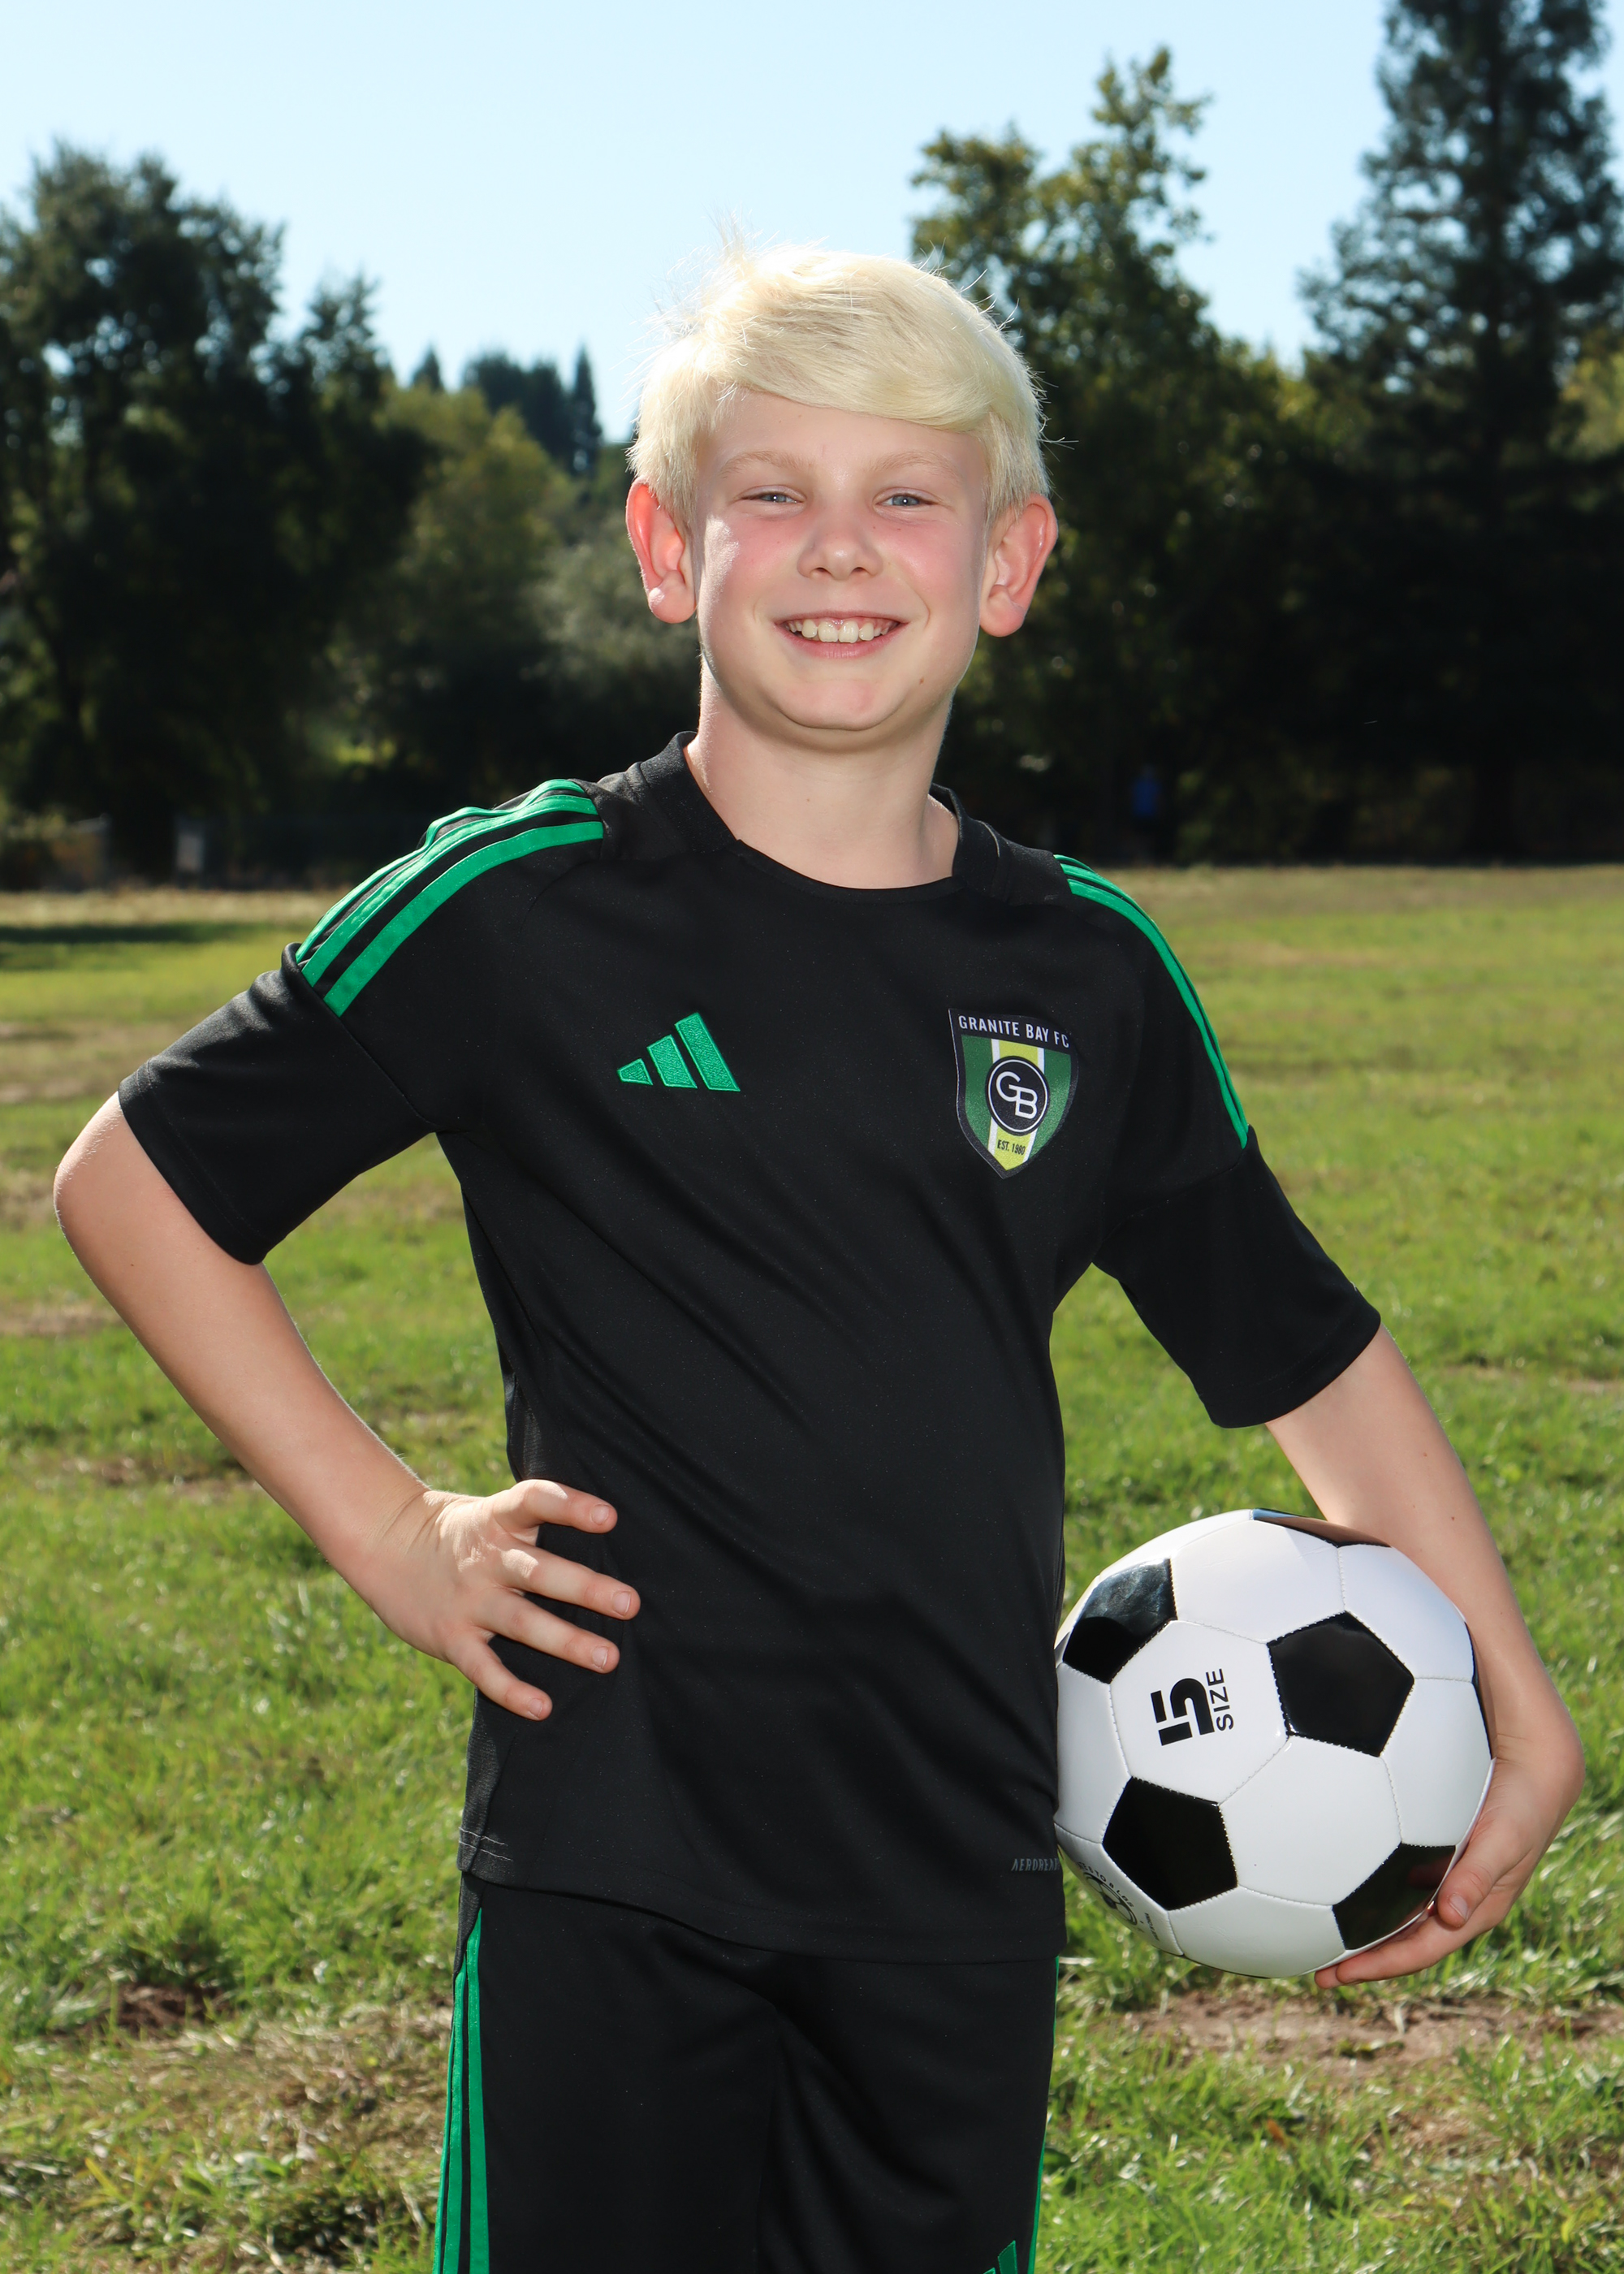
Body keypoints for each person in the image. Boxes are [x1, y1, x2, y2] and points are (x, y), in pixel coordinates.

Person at [54, 245, 1583, 2274]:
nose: (839, 546)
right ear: (664, 547)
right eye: (771, 491)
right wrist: (394, 1531)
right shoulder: (522, 904)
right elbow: (138, 1183)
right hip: (614, 1860)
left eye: (905, 494)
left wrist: (1514, 1689)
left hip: (953, 1878)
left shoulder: (1089, 972)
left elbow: (1296, 1341)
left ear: (1007, 561)